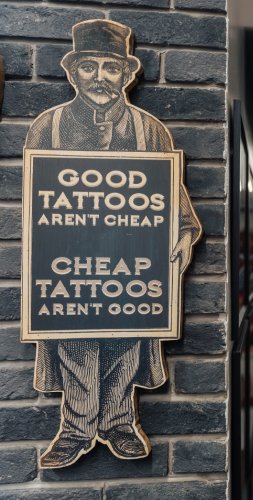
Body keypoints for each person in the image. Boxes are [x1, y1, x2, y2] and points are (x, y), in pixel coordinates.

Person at [25, 19, 201, 468]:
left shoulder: (150, 129)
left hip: (133, 261)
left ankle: (119, 421)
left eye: (110, 66)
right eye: (89, 66)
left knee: (128, 334)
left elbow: (174, 196)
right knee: (75, 336)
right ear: (73, 72)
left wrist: (183, 235)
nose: (100, 76)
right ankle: (77, 426)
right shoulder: (49, 126)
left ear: (126, 74)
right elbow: (35, 198)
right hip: (69, 263)